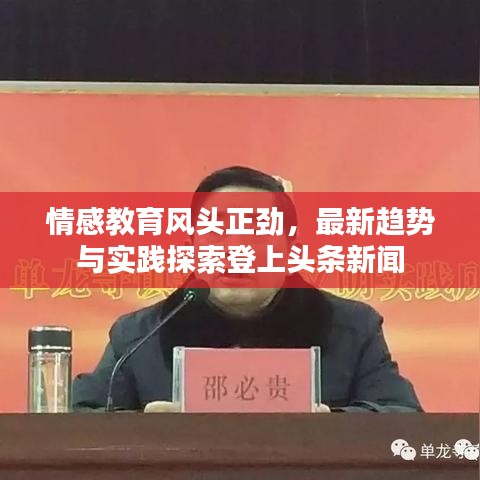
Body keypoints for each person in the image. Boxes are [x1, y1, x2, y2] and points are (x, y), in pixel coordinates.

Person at [73, 166, 422, 413]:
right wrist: (145, 429)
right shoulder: (140, 335)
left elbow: (403, 418)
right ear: (191, 246)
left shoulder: (352, 327)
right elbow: (78, 418)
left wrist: (330, 425)